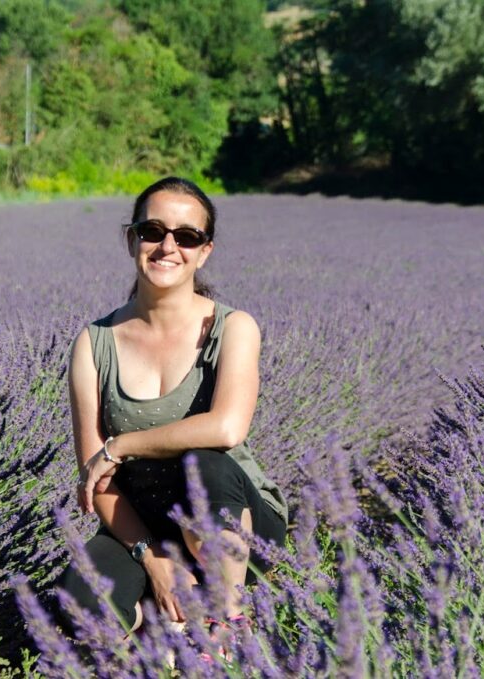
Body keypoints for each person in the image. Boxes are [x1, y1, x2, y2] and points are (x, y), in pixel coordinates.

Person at [60, 176, 288, 639]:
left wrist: (120, 444)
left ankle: (224, 633)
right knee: (84, 602)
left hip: (232, 520)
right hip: (143, 522)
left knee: (205, 464)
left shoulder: (234, 327)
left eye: (186, 236)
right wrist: (151, 557)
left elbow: (226, 429)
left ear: (205, 251)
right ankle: (158, 631)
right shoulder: (93, 344)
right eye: (153, 231)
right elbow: (96, 479)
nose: (168, 246)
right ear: (132, 239)